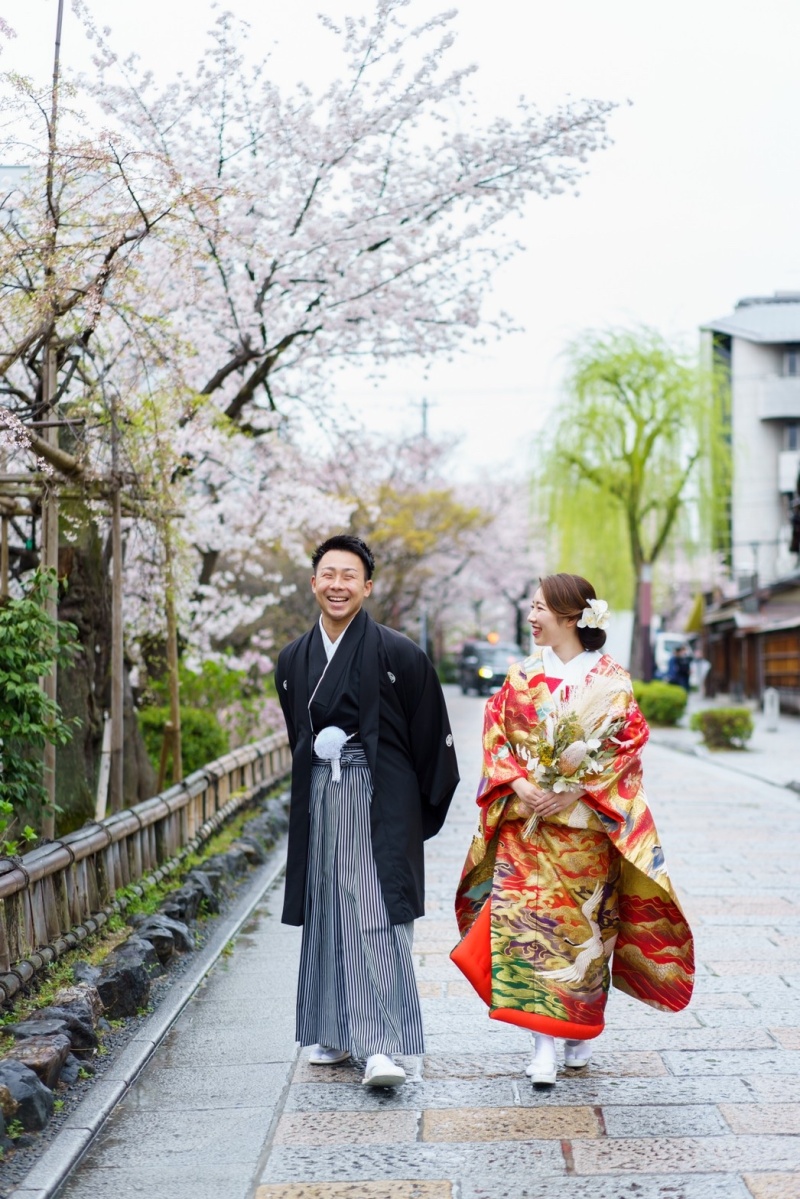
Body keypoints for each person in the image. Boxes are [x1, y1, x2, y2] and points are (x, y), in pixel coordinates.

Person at [452, 573, 694, 1086]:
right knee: (526, 933)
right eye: (531, 606)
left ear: (570, 615)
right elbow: (496, 740)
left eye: (540, 607)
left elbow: (627, 744)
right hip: (528, 829)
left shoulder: (612, 679)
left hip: (585, 832)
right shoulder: (520, 677)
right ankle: (541, 1044)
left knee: (585, 933)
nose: (531, 616)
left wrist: (577, 788)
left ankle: (578, 1029)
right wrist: (520, 786)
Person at [276, 534, 459, 1088]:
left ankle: (381, 1045)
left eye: (349, 576)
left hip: (377, 798)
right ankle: (332, 1030)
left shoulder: (399, 653)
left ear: (367, 585)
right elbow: (298, 735)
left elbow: (431, 738)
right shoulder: (293, 660)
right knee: (328, 904)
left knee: (377, 909)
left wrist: (411, 811)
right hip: (321, 798)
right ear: (313, 583)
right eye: (327, 575)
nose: (337, 585)